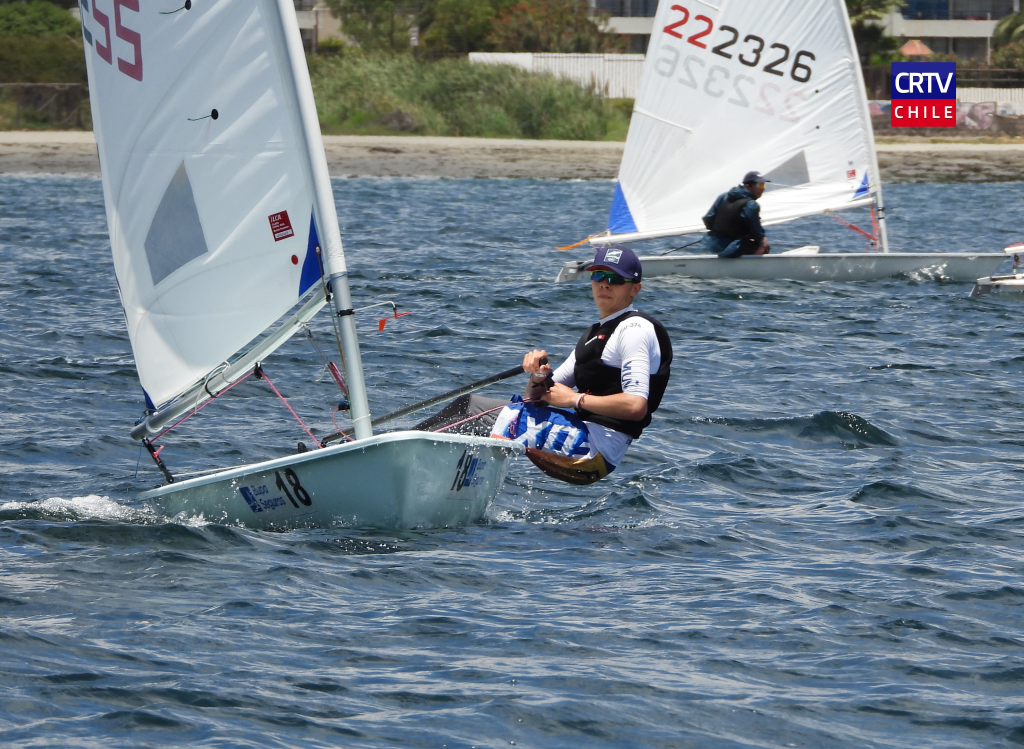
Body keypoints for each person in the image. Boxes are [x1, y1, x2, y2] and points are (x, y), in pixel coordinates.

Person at [490, 246, 672, 485]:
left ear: (635, 289)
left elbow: (636, 405)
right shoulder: (594, 334)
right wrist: (537, 375)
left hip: (596, 450)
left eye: (615, 279)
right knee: (490, 418)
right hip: (584, 439)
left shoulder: (634, 329)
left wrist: (574, 400)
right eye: (598, 275)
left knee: (472, 411)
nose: (604, 284)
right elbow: (536, 399)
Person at [703, 171, 771, 258]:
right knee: (764, 246)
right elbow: (756, 232)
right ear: (747, 185)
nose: (762, 188)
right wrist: (762, 241)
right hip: (731, 249)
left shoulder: (723, 196)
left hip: (712, 245)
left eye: (763, 185)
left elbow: (708, 219)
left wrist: (719, 233)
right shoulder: (751, 205)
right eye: (759, 185)